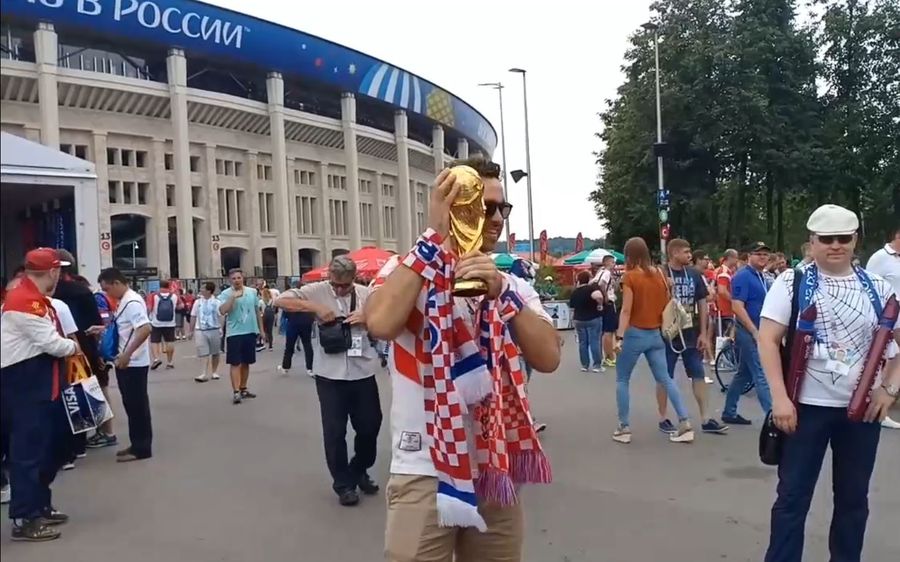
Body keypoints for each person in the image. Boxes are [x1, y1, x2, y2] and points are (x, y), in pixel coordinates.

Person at [366, 160, 560, 561]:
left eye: (501, 209)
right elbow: (381, 322)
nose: (495, 219)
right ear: (453, 206)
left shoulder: (514, 286)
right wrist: (434, 237)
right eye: (483, 207)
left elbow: (549, 356)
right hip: (423, 469)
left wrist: (501, 293)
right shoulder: (410, 272)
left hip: (493, 469)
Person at [759, 205, 899, 562]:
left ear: (855, 241)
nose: (835, 245)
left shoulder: (879, 288)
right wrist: (779, 398)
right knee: (792, 498)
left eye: (843, 238)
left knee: (853, 501)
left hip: (861, 413)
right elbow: (768, 339)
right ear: (812, 242)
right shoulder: (793, 282)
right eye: (826, 239)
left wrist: (888, 389)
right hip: (804, 408)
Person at [276, 256, 382, 507]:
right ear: (329, 279)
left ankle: (359, 468)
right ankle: (343, 484)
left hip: (362, 371)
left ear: (354, 279)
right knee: (334, 432)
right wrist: (315, 308)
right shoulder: (317, 291)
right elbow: (279, 300)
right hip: (329, 375)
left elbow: (383, 326)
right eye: (335, 284)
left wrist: (368, 318)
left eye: (345, 285)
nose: (340, 289)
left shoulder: (368, 295)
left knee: (370, 426)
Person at [1, 248, 78, 541]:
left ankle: (38, 504)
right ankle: (25, 517)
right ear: (53, 271)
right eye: (59, 270)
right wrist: (73, 347)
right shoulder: (25, 303)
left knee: (51, 446)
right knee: (27, 453)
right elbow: (54, 344)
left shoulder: (29, 297)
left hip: (41, 382)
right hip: (26, 384)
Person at [614, 237, 694, 444]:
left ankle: (624, 428)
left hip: (634, 333)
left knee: (623, 379)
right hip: (656, 334)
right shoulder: (660, 274)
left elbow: (626, 310)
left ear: (629, 255)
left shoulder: (629, 277)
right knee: (666, 379)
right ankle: (684, 421)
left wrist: (619, 336)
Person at [656, 239, 727, 435]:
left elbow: (703, 303)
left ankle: (705, 418)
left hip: (690, 330)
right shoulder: (661, 273)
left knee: (697, 373)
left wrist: (704, 333)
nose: (689, 255)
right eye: (685, 252)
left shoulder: (694, 274)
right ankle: (663, 417)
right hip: (668, 331)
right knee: (664, 375)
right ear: (674, 253)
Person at [51, 249, 105, 466]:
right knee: (79, 394)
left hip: (56, 350)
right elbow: (96, 322)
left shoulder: (50, 297)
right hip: (83, 349)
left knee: (59, 398)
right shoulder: (82, 291)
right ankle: (80, 443)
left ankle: (63, 449)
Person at [94, 268, 153, 463]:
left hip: (133, 363)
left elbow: (144, 328)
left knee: (137, 406)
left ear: (117, 283)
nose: (106, 293)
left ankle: (142, 447)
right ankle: (137, 444)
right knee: (132, 405)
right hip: (125, 361)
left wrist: (127, 355)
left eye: (107, 288)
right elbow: (125, 328)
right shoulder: (124, 301)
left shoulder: (133, 302)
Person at [721, 242, 774, 425]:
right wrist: (753, 330)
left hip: (759, 329)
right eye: (758, 254)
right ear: (749, 256)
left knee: (745, 373)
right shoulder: (743, 276)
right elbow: (737, 305)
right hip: (748, 330)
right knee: (760, 372)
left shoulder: (762, 276)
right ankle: (773, 417)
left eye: (765, 254)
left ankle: (729, 411)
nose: (762, 257)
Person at [866, 226, 900, 430]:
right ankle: (880, 405)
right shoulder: (880, 257)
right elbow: (869, 287)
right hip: (888, 318)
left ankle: (885, 400)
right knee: (888, 358)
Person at [218, 269, 263, 404]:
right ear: (230, 280)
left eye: (239, 278)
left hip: (250, 331)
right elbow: (222, 311)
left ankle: (243, 388)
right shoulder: (225, 294)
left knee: (246, 362)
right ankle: (236, 391)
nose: (237, 280)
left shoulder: (252, 292)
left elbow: (257, 311)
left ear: (243, 278)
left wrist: (261, 330)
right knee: (235, 362)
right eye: (234, 278)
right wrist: (232, 298)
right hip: (234, 333)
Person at [87, 286, 119, 449]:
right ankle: (106, 432)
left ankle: (107, 432)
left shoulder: (97, 299)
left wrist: (100, 352)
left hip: (98, 353)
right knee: (101, 389)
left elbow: (105, 324)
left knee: (101, 389)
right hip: (101, 352)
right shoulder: (104, 298)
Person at [568, 270, 605, 372]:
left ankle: (584, 365)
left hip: (579, 320)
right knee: (594, 341)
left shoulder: (575, 292)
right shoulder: (591, 288)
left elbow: (572, 308)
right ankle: (597, 366)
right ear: (589, 279)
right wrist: (599, 304)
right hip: (593, 318)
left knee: (583, 343)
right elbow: (598, 296)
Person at [277, 281, 315, 377]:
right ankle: (310, 368)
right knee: (307, 345)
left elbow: (285, 313)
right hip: (306, 322)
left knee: (289, 346)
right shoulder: (308, 298)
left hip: (293, 323)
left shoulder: (290, 299)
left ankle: (286, 367)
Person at [189, 282, 222, 383]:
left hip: (214, 328)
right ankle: (203, 373)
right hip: (201, 330)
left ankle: (214, 371)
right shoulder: (197, 302)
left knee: (215, 352)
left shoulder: (217, 302)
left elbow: (221, 315)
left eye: (203, 288)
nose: (201, 289)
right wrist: (191, 330)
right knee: (203, 352)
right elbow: (193, 316)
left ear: (209, 291)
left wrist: (221, 328)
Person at [596, 254, 619, 367]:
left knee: (606, 331)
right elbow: (601, 284)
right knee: (608, 332)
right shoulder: (606, 273)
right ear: (607, 263)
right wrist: (605, 296)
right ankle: (610, 356)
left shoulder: (599, 272)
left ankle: (607, 355)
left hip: (603, 305)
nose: (614, 265)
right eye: (612, 262)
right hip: (608, 303)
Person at [147, 280, 177, 370]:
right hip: (171, 322)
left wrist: (148, 316)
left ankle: (156, 359)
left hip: (156, 323)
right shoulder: (174, 296)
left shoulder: (153, 295)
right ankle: (170, 362)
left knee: (154, 341)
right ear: (168, 286)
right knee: (170, 342)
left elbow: (149, 308)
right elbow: (181, 306)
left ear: (159, 286)